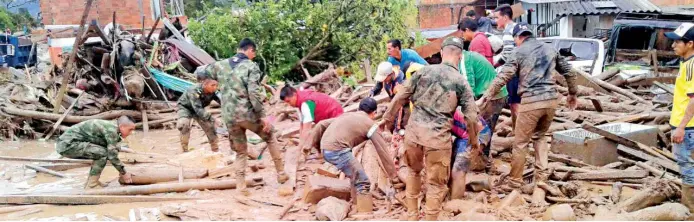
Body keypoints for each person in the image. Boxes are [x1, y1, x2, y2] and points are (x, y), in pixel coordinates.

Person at [382, 37, 479, 220]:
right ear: (459, 57)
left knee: (413, 172)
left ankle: (412, 215)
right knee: (436, 185)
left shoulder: (423, 72)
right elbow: (471, 117)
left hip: (413, 135)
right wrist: (474, 142)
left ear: (442, 53)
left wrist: (387, 120)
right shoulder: (460, 81)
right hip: (437, 140)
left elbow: (400, 96)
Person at [480, 23, 578, 200]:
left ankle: (515, 181)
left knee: (521, 143)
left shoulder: (518, 52)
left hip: (532, 101)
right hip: (550, 101)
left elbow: (503, 77)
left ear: (519, 37)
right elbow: (570, 73)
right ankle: (541, 177)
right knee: (540, 137)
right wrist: (572, 94)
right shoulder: (550, 49)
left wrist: (485, 97)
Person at [206, 38, 288, 196]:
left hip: (228, 116)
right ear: (250, 50)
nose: (254, 56)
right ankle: (281, 174)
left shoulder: (220, 65)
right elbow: (253, 93)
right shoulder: (251, 66)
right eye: (254, 53)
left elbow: (200, 72)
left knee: (241, 152)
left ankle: (241, 187)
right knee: (270, 136)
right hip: (247, 114)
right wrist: (263, 116)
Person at [309, 98, 394, 213]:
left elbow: (321, 124)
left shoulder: (347, 116)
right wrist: (393, 176)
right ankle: (365, 213)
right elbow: (382, 151)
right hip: (338, 151)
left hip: (327, 149)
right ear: (374, 113)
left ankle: (357, 205)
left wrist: (318, 149)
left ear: (359, 109)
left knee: (355, 175)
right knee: (363, 181)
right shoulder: (370, 124)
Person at [56, 116, 136, 189]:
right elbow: (112, 156)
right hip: (67, 145)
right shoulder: (111, 130)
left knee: (103, 152)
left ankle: (93, 181)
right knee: (103, 154)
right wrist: (124, 173)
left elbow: (110, 146)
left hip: (69, 143)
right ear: (122, 126)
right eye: (130, 129)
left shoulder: (112, 126)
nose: (131, 133)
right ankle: (92, 184)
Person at [458, 42, 508, 158]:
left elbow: (468, 87)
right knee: (484, 127)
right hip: (493, 94)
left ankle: (482, 160)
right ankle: (482, 158)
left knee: (482, 128)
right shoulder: (469, 56)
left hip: (492, 96)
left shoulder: (465, 60)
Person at [665, 22, 694, 216]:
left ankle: (690, 211)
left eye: (677, 42)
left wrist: (681, 127)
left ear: (690, 43)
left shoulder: (691, 66)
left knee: (688, 168)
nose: (673, 46)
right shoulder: (687, 64)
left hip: (689, 128)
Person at [280, 85, 344, 153]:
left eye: (289, 101)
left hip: (335, 116)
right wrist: (300, 145)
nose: (289, 104)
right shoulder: (301, 99)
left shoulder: (306, 103)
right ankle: (321, 153)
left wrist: (299, 150)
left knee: (321, 137)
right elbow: (302, 126)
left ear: (294, 95)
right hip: (328, 116)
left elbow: (307, 130)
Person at [450, 108, 492, 199]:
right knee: (450, 164)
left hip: (476, 133)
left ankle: (455, 203)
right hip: (462, 133)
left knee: (458, 170)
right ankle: (452, 194)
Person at [176, 71, 220, 152]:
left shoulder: (214, 91)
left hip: (199, 108)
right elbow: (197, 109)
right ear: (204, 84)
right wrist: (213, 119)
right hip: (186, 108)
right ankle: (185, 150)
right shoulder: (194, 90)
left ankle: (215, 150)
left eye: (216, 85)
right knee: (183, 124)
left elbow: (223, 102)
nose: (215, 87)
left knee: (210, 126)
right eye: (212, 85)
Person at [494, 4, 521, 130]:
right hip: (524, 70)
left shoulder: (508, 31)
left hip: (514, 72)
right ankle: (518, 130)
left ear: (505, 17)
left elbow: (507, 55)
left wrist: (494, 64)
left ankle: (519, 132)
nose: (495, 21)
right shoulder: (518, 28)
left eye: (496, 18)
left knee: (515, 104)